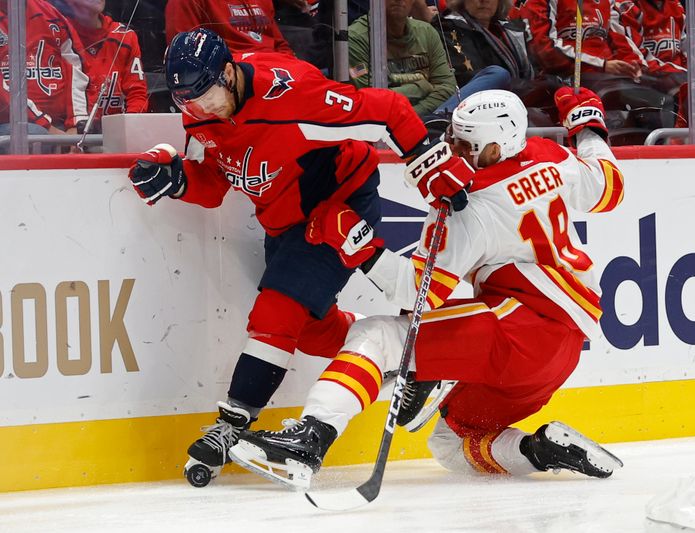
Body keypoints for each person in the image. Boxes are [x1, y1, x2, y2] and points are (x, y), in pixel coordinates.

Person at [126, 28, 471, 487]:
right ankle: (410, 357)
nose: (202, 109)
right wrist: (175, 180)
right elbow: (213, 185)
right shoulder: (198, 114)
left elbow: (389, 110)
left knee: (277, 309)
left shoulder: (294, 92)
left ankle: (232, 425)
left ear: (228, 74)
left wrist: (427, 160)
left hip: (339, 203)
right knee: (309, 329)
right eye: (189, 102)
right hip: (285, 220)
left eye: (207, 95)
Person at [228, 88, 625, 486]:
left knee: (378, 335)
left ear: (495, 149)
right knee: (452, 445)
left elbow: (418, 293)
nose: (451, 148)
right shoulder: (550, 156)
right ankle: (538, 450)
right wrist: (587, 124)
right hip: (562, 351)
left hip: (519, 332)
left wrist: (360, 246)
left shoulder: (465, 205)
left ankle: (309, 440)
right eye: (452, 135)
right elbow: (610, 185)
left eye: (465, 143)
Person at [348, 0, 458, 116]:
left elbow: (447, 88)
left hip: (427, 120)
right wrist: (422, 87)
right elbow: (369, 100)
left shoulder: (426, 32)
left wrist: (410, 117)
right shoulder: (355, 39)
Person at [0, 0, 89, 140]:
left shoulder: (52, 14)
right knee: (35, 134)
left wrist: (75, 124)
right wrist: (49, 128)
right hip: (10, 125)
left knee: (100, 134)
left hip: (58, 126)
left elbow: (75, 68)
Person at [53, 0, 147, 130]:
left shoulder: (125, 37)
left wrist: (129, 129)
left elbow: (137, 94)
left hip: (116, 136)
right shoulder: (56, 36)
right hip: (69, 134)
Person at [515, 0, 645, 85]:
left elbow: (620, 40)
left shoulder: (607, 2)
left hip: (607, 79)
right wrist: (601, 66)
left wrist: (635, 66)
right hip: (559, 82)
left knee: (650, 100)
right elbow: (544, 50)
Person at [165, 0, 294, 55]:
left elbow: (280, 44)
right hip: (231, 84)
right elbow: (184, 54)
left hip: (275, 75)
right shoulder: (184, 2)